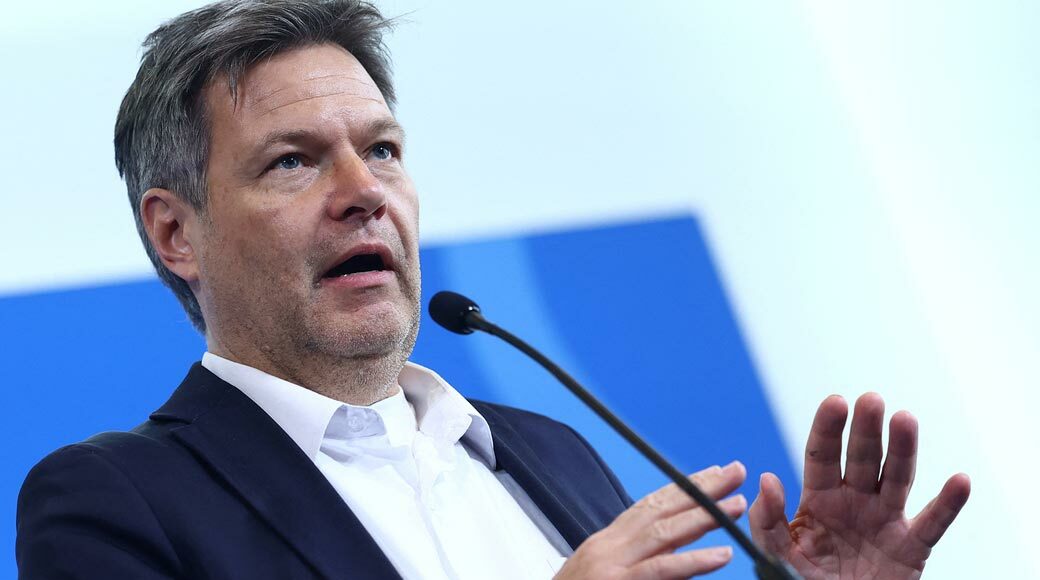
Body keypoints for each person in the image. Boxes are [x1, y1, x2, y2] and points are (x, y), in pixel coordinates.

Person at [15, 1, 971, 578]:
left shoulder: (548, 453)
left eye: (382, 149)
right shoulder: (117, 499)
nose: (363, 192)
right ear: (176, 233)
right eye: (292, 162)